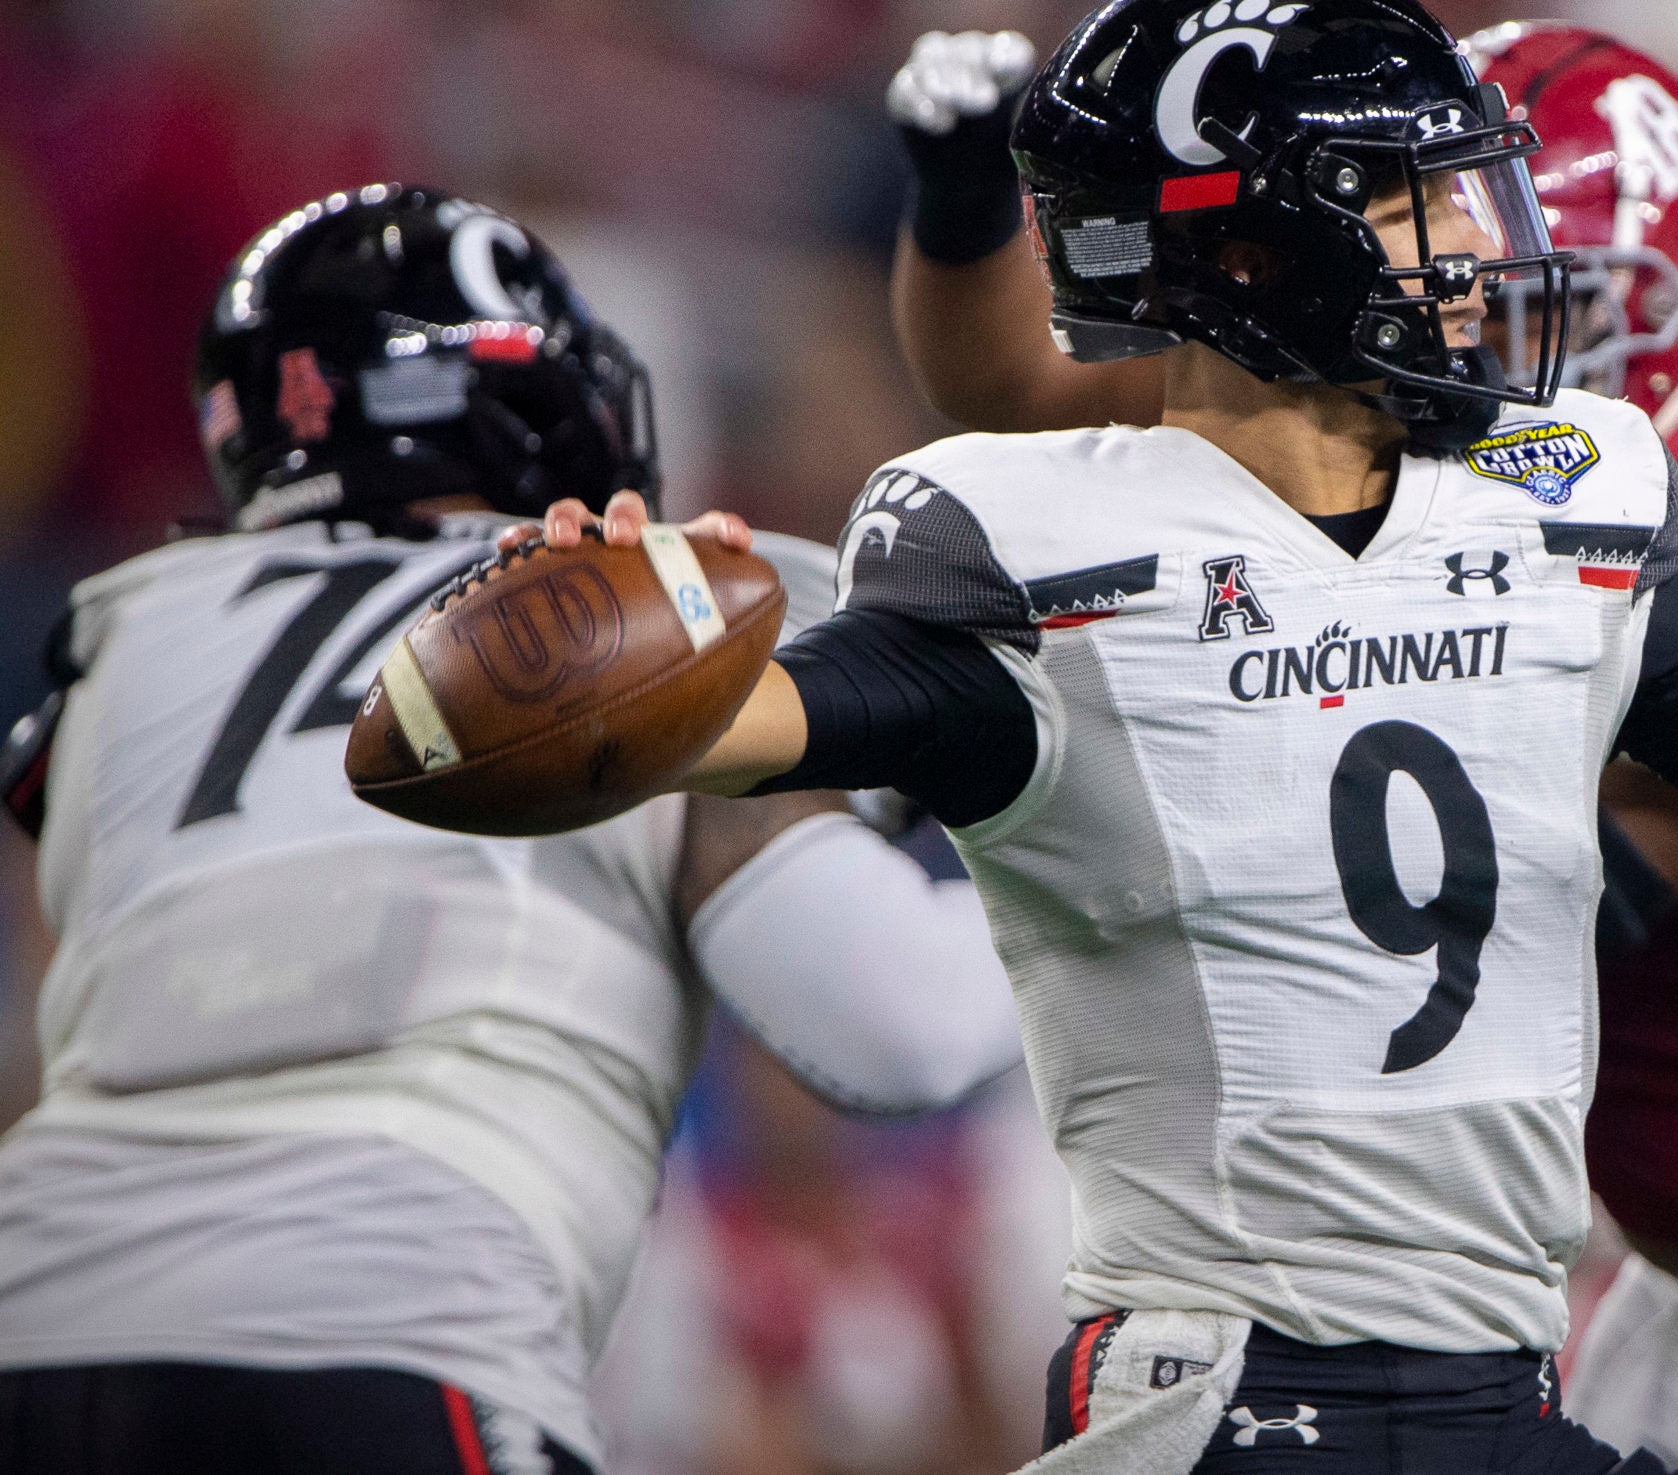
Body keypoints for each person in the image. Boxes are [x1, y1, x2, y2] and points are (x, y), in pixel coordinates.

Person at [504, 0, 1678, 1474]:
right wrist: (591, 662)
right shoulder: (1037, 540)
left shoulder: (1562, 497)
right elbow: (641, 735)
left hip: (1505, 1383)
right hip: (1222, 1393)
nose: (1488, 249)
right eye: (1424, 200)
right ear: (1253, 250)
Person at [0, 187, 1023, 1475]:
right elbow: (899, 1026)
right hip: (395, 1326)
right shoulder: (625, 616)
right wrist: (1115, 890)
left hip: (32, 1327)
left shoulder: (122, 638)